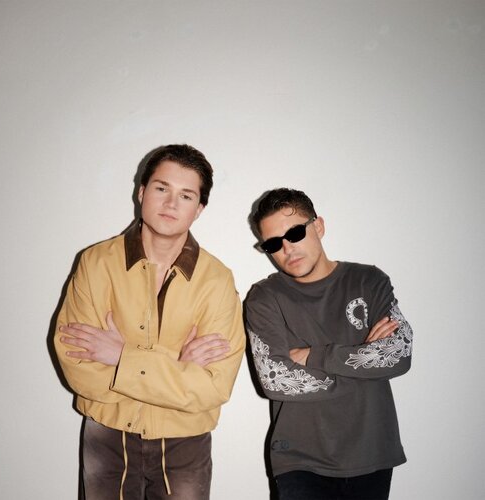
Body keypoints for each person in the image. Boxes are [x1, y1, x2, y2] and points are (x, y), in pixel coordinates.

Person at [54, 144, 246, 500]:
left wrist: (122, 357)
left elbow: (213, 388)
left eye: (186, 195)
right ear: (142, 192)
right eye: (162, 188)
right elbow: (78, 368)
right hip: (108, 436)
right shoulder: (95, 264)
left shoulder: (217, 280)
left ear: (199, 209)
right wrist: (177, 365)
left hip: (185, 443)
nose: (171, 204)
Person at [245, 188, 412, 500]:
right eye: (273, 243)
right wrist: (363, 363)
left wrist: (313, 356)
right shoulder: (265, 298)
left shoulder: (369, 281)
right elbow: (275, 379)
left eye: (294, 233)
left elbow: (398, 354)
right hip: (300, 459)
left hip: (372, 451)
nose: (287, 249)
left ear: (318, 226)